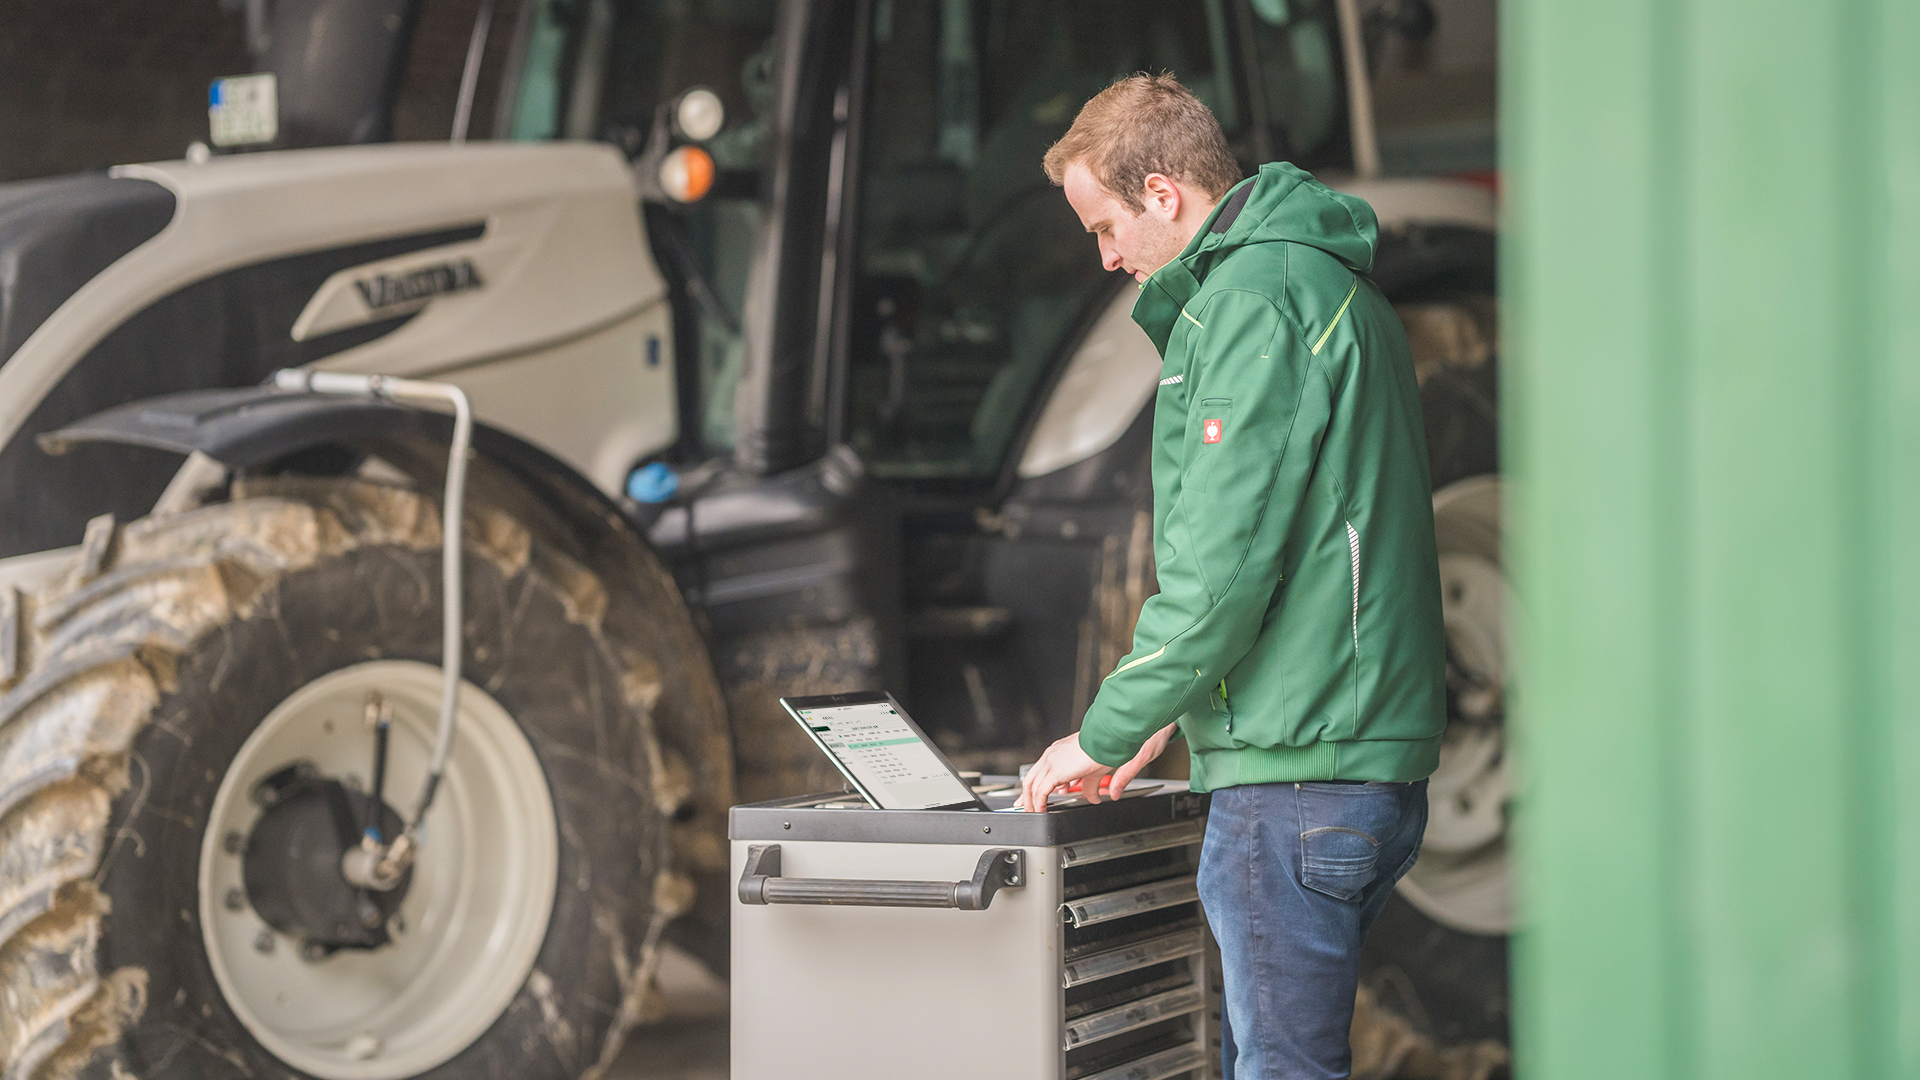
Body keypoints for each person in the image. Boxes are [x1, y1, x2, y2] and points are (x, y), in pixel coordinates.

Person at [1015, 74, 1447, 1079]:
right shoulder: (1329, 283)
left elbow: (1225, 566)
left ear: (1164, 193)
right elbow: (1303, 538)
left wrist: (1109, 727)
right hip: (1357, 758)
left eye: (1105, 225)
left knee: (1283, 1066)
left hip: (1296, 771)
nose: (1107, 256)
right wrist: (1174, 710)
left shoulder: (1252, 304)